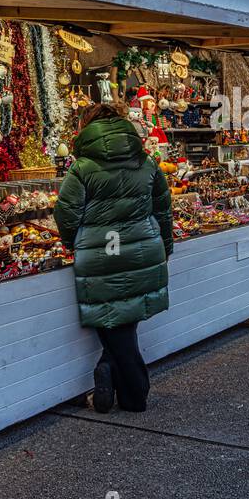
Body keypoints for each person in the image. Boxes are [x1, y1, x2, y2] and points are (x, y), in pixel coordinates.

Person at [54, 102, 173, 413]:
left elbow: (66, 213)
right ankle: (110, 369)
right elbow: (162, 205)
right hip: (142, 247)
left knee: (112, 318)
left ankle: (133, 392)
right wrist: (165, 244)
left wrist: (72, 243)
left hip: (101, 250)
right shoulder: (146, 163)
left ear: (87, 130)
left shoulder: (82, 168)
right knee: (125, 316)